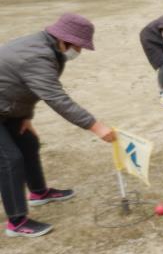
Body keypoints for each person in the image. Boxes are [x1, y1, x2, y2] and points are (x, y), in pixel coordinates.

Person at [0, 14, 116, 237]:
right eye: (79, 47)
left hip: (7, 104)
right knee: (9, 159)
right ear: (64, 40)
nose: (79, 52)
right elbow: (56, 98)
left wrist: (25, 117)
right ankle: (16, 222)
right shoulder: (37, 56)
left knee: (29, 142)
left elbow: (29, 87)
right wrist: (95, 126)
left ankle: (39, 193)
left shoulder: (49, 48)